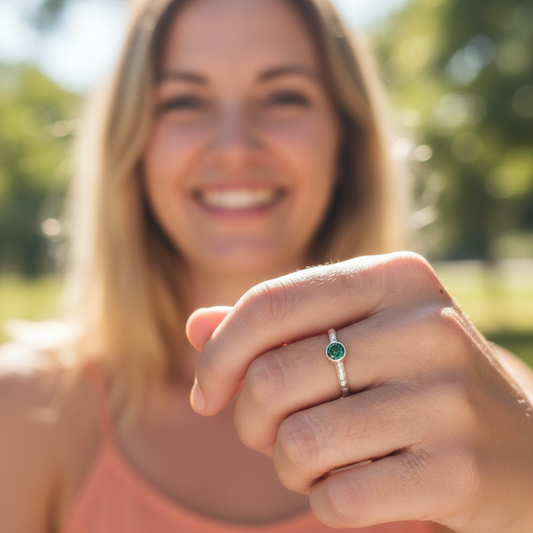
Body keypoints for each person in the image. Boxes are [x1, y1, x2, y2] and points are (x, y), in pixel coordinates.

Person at [1, 0, 532, 532]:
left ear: (344, 141)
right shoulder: (26, 409)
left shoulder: (481, 401)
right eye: (184, 101)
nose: (234, 147)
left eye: (283, 96)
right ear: (134, 147)